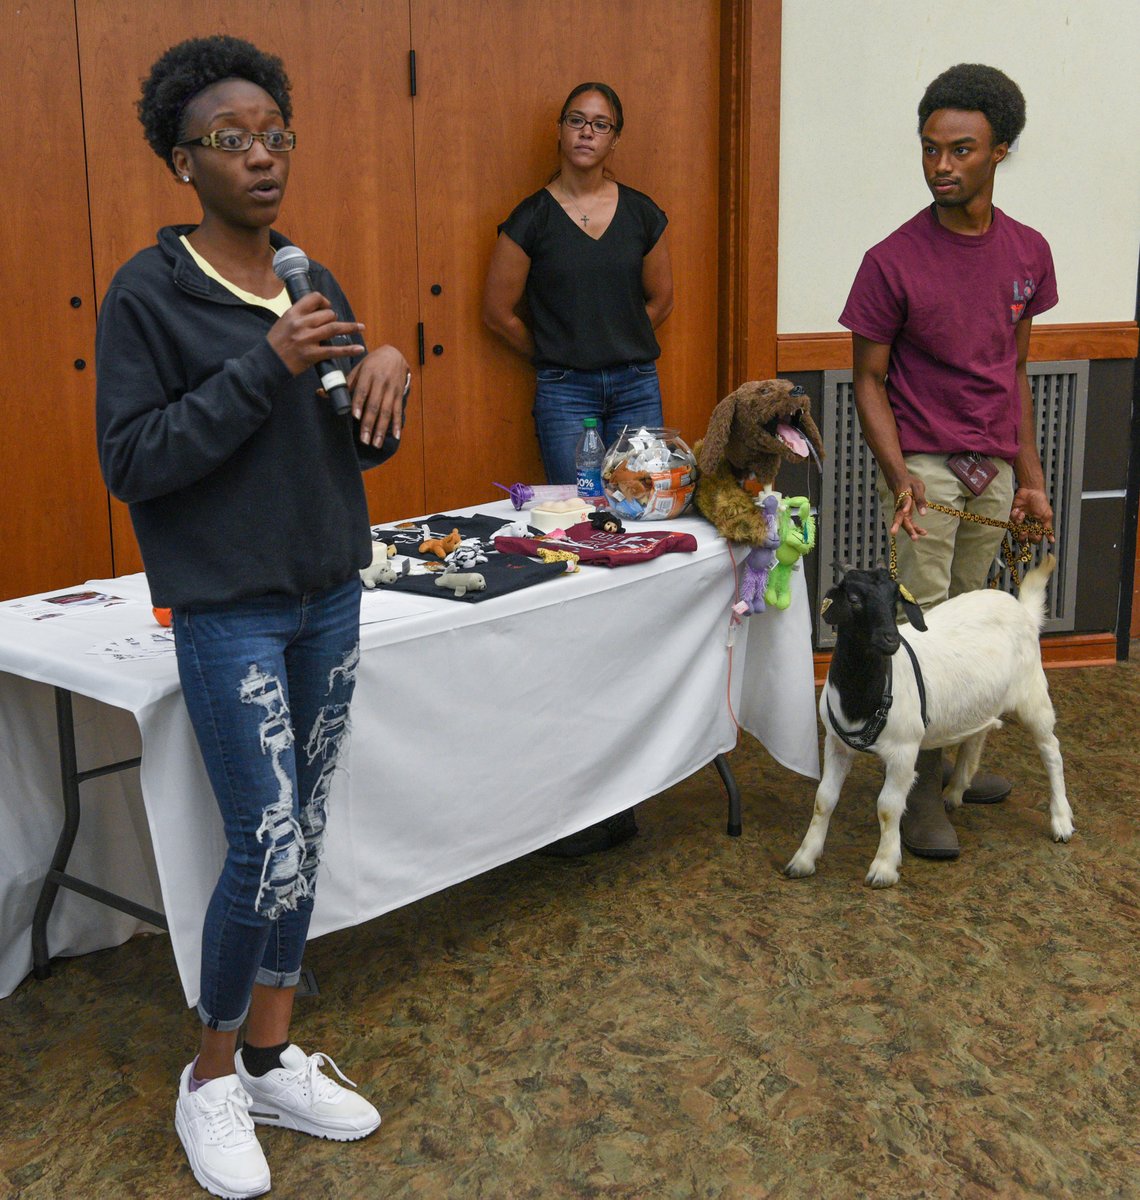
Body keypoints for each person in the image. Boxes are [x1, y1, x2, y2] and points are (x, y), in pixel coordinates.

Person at [96, 35, 409, 1199]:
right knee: (265, 846)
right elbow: (133, 460)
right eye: (232, 140)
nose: (263, 156)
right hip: (227, 607)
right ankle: (211, 1078)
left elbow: (356, 439)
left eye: (276, 132)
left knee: (307, 834)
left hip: (328, 589)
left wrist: (385, 375)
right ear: (185, 163)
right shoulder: (151, 293)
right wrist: (261, 364)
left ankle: (273, 1056)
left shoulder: (306, 271)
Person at [838, 63, 1057, 862]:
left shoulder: (1028, 252)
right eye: (930, 149)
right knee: (921, 633)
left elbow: (1014, 370)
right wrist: (901, 480)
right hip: (925, 474)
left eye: (960, 150)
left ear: (1001, 150)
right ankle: (917, 789)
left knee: (977, 628)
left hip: (992, 473)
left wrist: (1029, 478)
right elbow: (867, 378)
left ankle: (958, 762)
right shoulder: (891, 259)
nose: (940, 166)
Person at [483, 81, 674, 485]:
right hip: (565, 393)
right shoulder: (530, 219)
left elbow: (662, 300)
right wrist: (555, 351)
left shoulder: (641, 214)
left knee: (642, 502)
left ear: (615, 139)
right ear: (559, 130)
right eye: (577, 120)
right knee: (578, 511)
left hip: (635, 387)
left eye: (601, 124)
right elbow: (498, 314)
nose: (587, 132)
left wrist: (616, 339)